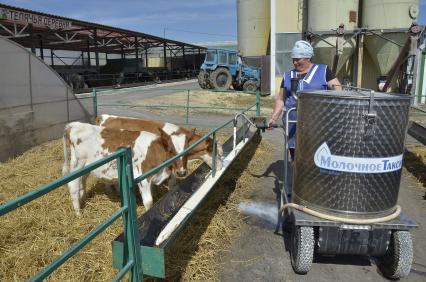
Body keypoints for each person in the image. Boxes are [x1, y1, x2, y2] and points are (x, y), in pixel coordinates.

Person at [268, 40, 341, 160]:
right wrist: (273, 117)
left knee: (316, 157)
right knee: (295, 157)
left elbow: (338, 90)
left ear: (308, 58)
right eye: (293, 59)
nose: (295, 62)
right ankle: (295, 177)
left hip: (317, 125)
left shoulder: (323, 71)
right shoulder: (288, 75)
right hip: (292, 125)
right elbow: (281, 99)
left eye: (298, 59)